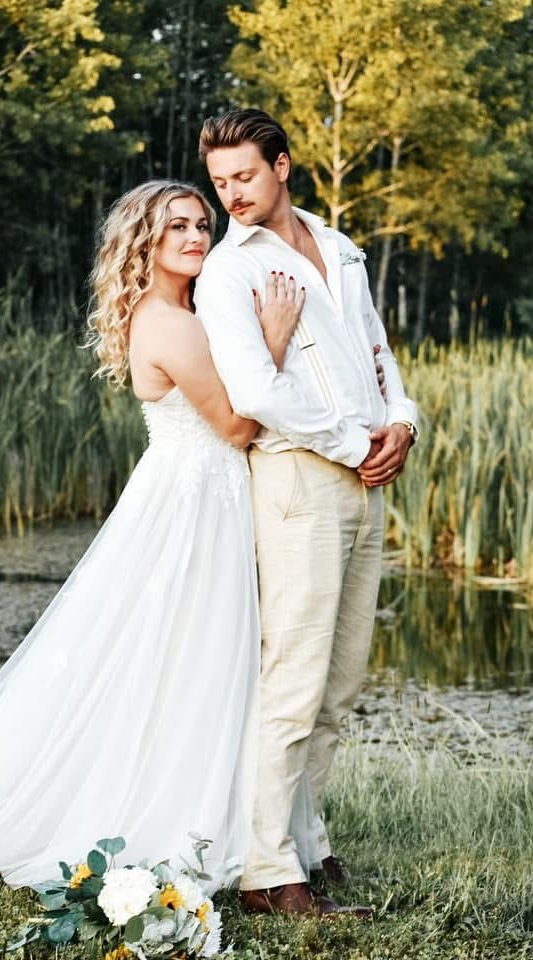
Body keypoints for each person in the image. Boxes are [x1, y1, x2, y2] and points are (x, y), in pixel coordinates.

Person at [0, 180, 305, 890]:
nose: (195, 236)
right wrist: (273, 336)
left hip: (206, 496)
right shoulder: (168, 322)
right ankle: (167, 811)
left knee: (185, 656)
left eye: (201, 224)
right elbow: (237, 427)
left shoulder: (188, 309)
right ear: (143, 240)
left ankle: (234, 814)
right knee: (181, 655)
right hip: (190, 508)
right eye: (176, 226)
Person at [194, 108, 418, 917]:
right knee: (292, 681)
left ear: (282, 165)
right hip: (297, 480)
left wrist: (402, 422)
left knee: (340, 684)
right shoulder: (229, 272)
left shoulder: (338, 245)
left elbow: (376, 349)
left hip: (362, 481)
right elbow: (256, 391)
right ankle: (266, 872)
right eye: (221, 184)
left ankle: (307, 845)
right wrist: (356, 441)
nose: (232, 196)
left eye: (244, 177)